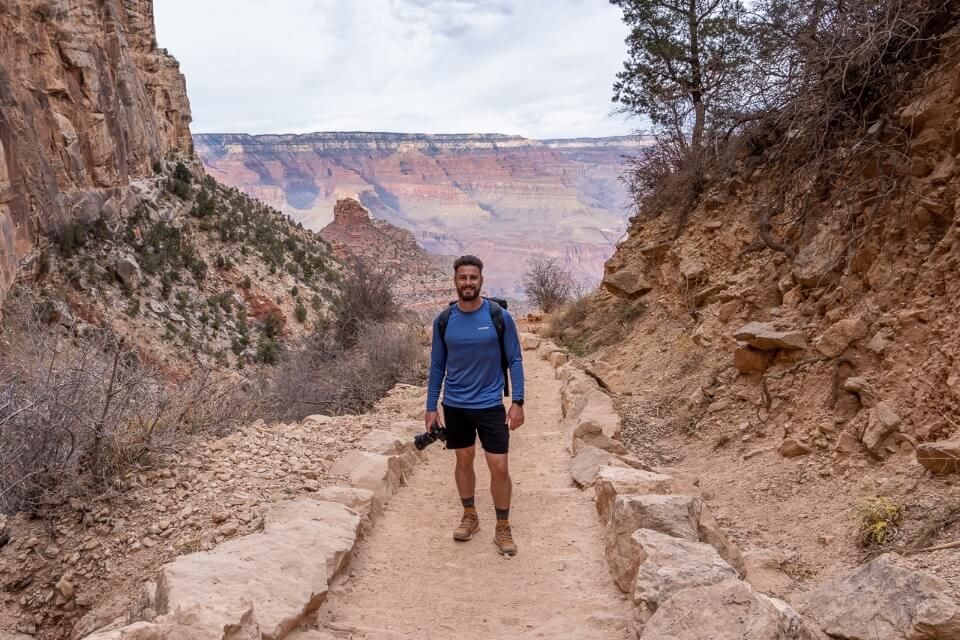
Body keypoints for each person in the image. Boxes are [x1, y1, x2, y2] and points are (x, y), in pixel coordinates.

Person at [425, 255, 525, 556]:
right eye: (462, 278)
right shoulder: (444, 321)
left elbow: (515, 360)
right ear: (455, 281)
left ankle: (503, 526)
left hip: (490, 404)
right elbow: (436, 366)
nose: (468, 282)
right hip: (455, 405)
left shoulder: (498, 317)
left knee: (499, 465)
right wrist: (431, 407)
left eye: (473, 277)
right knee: (464, 461)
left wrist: (517, 401)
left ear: (481, 281)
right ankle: (470, 515)